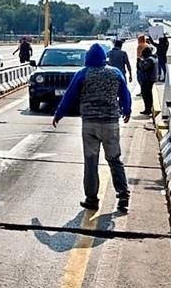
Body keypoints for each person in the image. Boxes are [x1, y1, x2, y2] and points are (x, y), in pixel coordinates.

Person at [52, 43, 132, 213]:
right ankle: (123, 196)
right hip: (111, 123)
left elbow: (70, 95)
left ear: (88, 58)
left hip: (90, 124)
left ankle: (91, 199)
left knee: (91, 162)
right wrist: (127, 110)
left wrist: (59, 114)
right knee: (114, 160)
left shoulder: (83, 73)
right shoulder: (115, 73)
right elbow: (125, 93)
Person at [136, 46, 157, 116]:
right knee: (148, 95)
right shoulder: (154, 58)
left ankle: (147, 109)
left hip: (147, 80)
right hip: (150, 79)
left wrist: (139, 62)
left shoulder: (149, 60)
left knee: (146, 95)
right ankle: (148, 109)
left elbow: (143, 67)